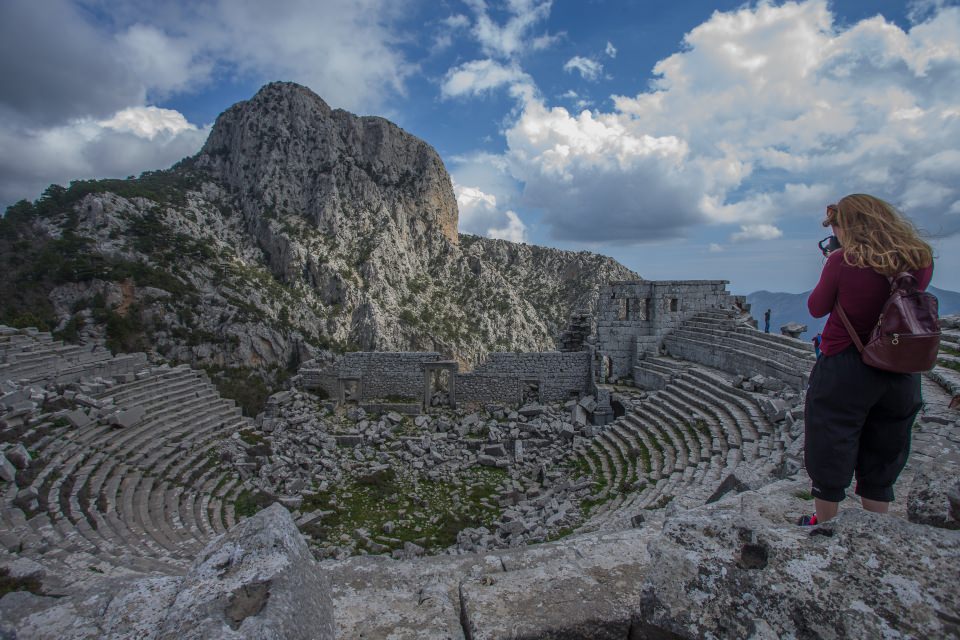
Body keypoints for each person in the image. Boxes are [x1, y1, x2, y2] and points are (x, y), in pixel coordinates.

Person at [802, 194, 934, 525]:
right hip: (900, 363)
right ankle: (875, 529)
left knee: (831, 439)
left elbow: (817, 307)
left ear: (847, 225)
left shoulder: (842, 261)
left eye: (835, 225)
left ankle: (826, 525)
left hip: (847, 364)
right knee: (886, 446)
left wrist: (830, 261)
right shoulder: (918, 258)